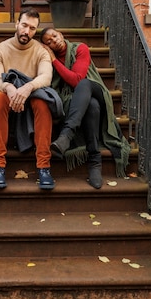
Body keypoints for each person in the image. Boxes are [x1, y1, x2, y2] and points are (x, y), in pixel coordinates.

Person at [40, 27, 130, 189]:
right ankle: (95, 161)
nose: (54, 40)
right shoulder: (45, 60)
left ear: (61, 34)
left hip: (96, 91)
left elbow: (76, 80)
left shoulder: (80, 48)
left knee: (84, 84)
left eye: (55, 36)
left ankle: (66, 135)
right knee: (91, 106)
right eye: (49, 42)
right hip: (76, 102)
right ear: (47, 46)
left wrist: (54, 60)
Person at [0, 7, 59, 190]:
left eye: (33, 28)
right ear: (17, 24)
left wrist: (27, 87)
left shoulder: (40, 51)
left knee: (43, 102)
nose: (27, 32)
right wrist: (9, 87)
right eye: (24, 25)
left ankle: (44, 166)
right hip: (8, 99)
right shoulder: (0, 49)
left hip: (31, 98)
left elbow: (46, 77)